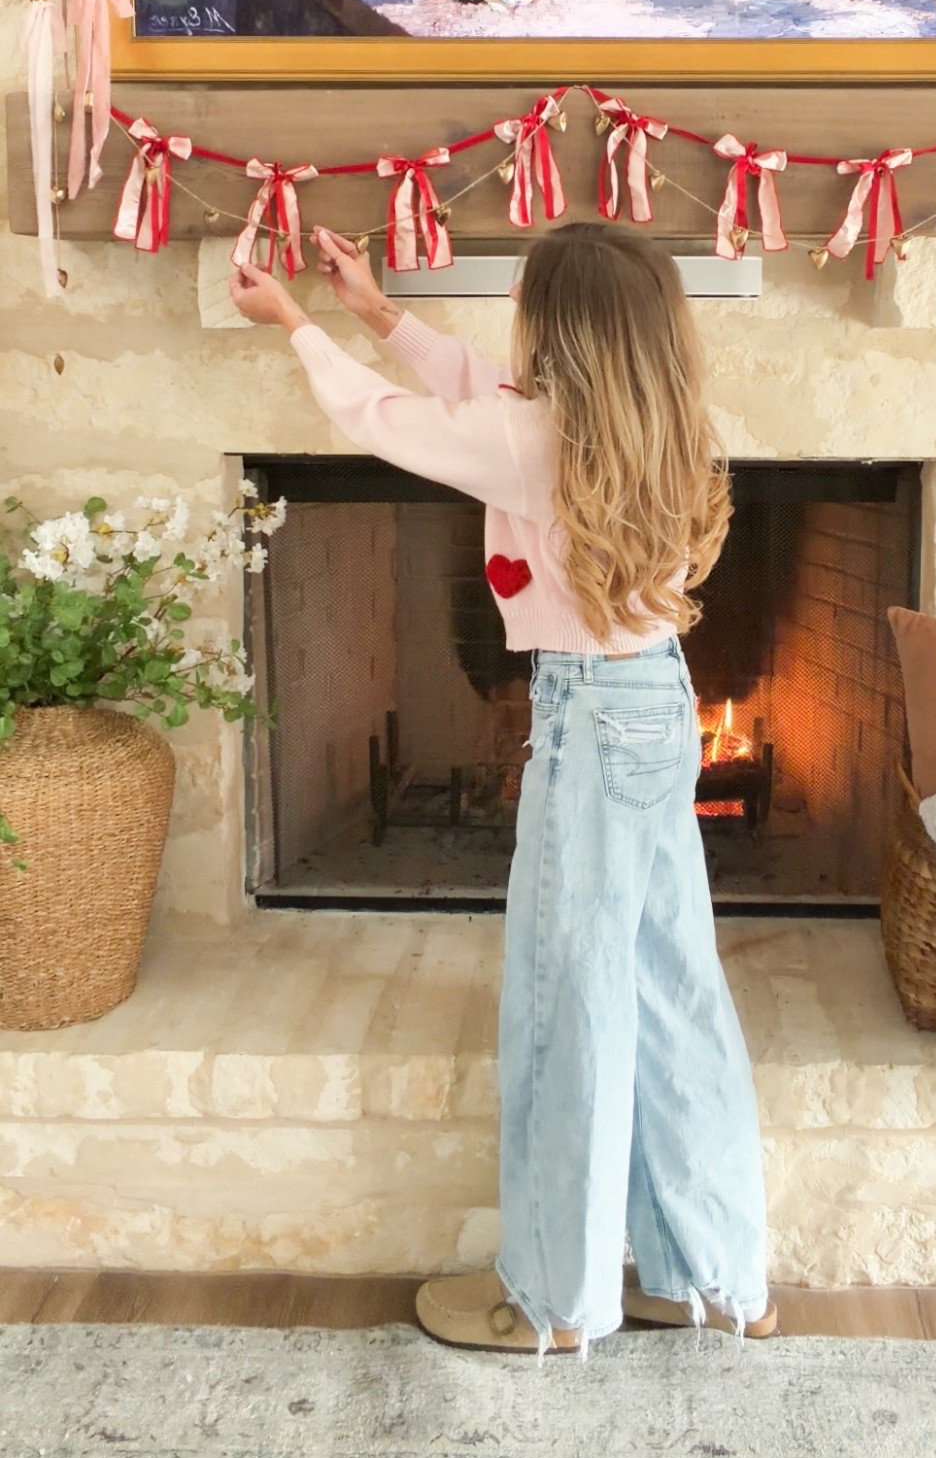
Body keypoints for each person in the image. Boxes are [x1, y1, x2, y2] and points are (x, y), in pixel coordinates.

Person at [229, 218, 774, 1364]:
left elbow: (403, 423)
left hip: (592, 717)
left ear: (564, 333)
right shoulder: (653, 423)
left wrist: (296, 327)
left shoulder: (537, 443)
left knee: (562, 1005)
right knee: (672, 996)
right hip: (658, 706)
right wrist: (378, 313)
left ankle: (557, 1296)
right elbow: (490, 397)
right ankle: (719, 1276)